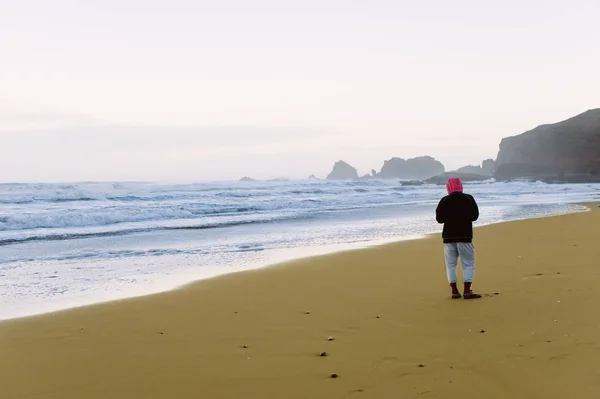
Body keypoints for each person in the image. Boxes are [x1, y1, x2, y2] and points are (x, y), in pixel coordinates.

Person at [435, 177, 481, 299]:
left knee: (450, 265)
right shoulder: (468, 198)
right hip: (465, 235)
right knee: (468, 263)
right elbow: (475, 216)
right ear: (460, 186)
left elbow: (439, 219)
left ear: (448, 187)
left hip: (448, 237)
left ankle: (454, 291)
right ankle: (467, 290)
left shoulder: (444, 200)